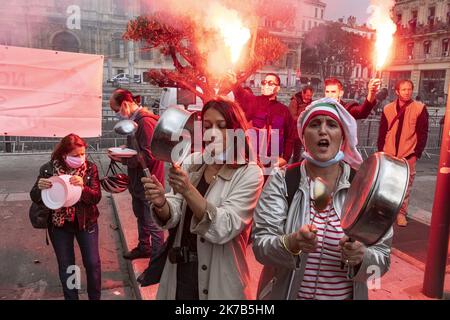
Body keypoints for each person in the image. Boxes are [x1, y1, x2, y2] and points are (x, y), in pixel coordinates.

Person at [252, 98, 392, 300]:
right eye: (315, 124)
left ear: (342, 136)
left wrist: (362, 257)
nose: (323, 131)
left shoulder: (365, 187)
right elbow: (261, 245)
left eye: (332, 125)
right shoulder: (282, 181)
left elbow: (382, 257)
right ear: (303, 136)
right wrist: (291, 243)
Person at [141, 98, 264, 299]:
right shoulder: (193, 161)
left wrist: (189, 190)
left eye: (221, 126)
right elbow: (175, 210)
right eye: (207, 126)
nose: (212, 133)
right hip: (180, 273)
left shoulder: (249, 173)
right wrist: (161, 202)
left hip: (221, 278)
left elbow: (225, 226)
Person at [30, 134, 102, 300]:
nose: (81, 158)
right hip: (59, 226)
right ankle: (71, 297)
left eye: (83, 154)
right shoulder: (48, 169)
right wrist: (40, 188)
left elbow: (96, 197)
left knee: (92, 264)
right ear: (64, 155)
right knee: (67, 266)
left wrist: (83, 187)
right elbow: (35, 196)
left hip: (86, 223)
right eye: (75, 155)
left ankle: (95, 297)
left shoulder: (90, 168)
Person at [108, 88, 164, 260]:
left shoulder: (145, 122)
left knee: (153, 222)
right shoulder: (133, 121)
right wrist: (126, 150)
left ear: (125, 104)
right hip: (137, 181)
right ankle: (144, 247)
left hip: (149, 181)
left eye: (116, 111)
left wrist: (123, 158)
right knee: (141, 217)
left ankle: (157, 262)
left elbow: (149, 155)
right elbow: (139, 148)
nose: (116, 115)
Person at [378, 80, 429, 227]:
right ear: (397, 91)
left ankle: (401, 213)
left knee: (406, 186)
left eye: (409, 89)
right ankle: (386, 212)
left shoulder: (419, 108)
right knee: (387, 184)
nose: (407, 92)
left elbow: (423, 132)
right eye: (404, 89)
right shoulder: (388, 108)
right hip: (389, 153)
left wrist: (416, 153)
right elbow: (382, 132)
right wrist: (381, 151)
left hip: (409, 153)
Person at [229, 72, 297, 168]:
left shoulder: (283, 111)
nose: (266, 85)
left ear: (278, 88)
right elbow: (242, 95)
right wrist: (234, 83)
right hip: (251, 160)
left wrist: (285, 158)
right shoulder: (254, 102)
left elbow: (290, 136)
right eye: (264, 82)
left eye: (270, 83)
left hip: (272, 162)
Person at [289, 85, 314, 162]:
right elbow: (293, 117)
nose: (308, 97)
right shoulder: (295, 101)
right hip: (294, 131)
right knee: (293, 151)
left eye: (310, 96)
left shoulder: (311, 103)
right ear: (302, 93)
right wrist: (305, 118)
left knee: (306, 151)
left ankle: (300, 164)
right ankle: (291, 167)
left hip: (304, 131)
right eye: (307, 95)